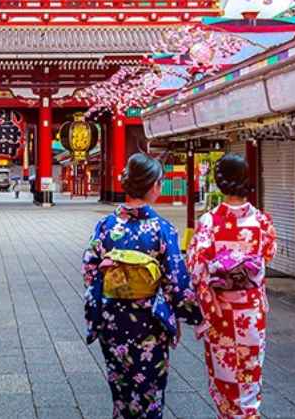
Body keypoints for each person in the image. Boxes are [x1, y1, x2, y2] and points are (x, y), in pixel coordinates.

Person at [82, 153, 202, 419]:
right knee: (150, 391)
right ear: (154, 186)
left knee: (121, 390)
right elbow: (176, 281)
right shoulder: (162, 228)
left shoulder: (106, 226)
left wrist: (103, 296)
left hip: (112, 319)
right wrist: (188, 316)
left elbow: (90, 269)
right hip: (149, 321)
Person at [186, 152, 277, 419]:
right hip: (250, 313)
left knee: (224, 377)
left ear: (220, 182)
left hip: (221, 312)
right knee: (249, 375)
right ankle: (248, 414)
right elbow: (267, 255)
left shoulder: (209, 223)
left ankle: (228, 415)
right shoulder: (262, 222)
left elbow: (195, 267)